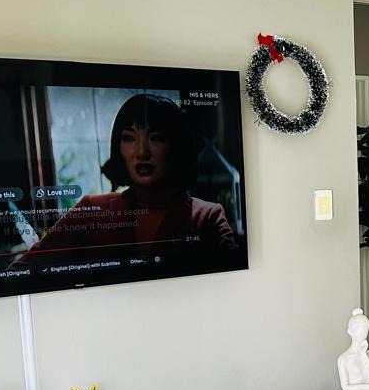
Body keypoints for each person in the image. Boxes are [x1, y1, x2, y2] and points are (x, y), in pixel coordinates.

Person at [17, 94, 237, 266]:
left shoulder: (207, 216)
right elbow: (23, 269)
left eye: (156, 138)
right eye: (129, 138)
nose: (141, 152)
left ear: (177, 148)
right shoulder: (91, 209)